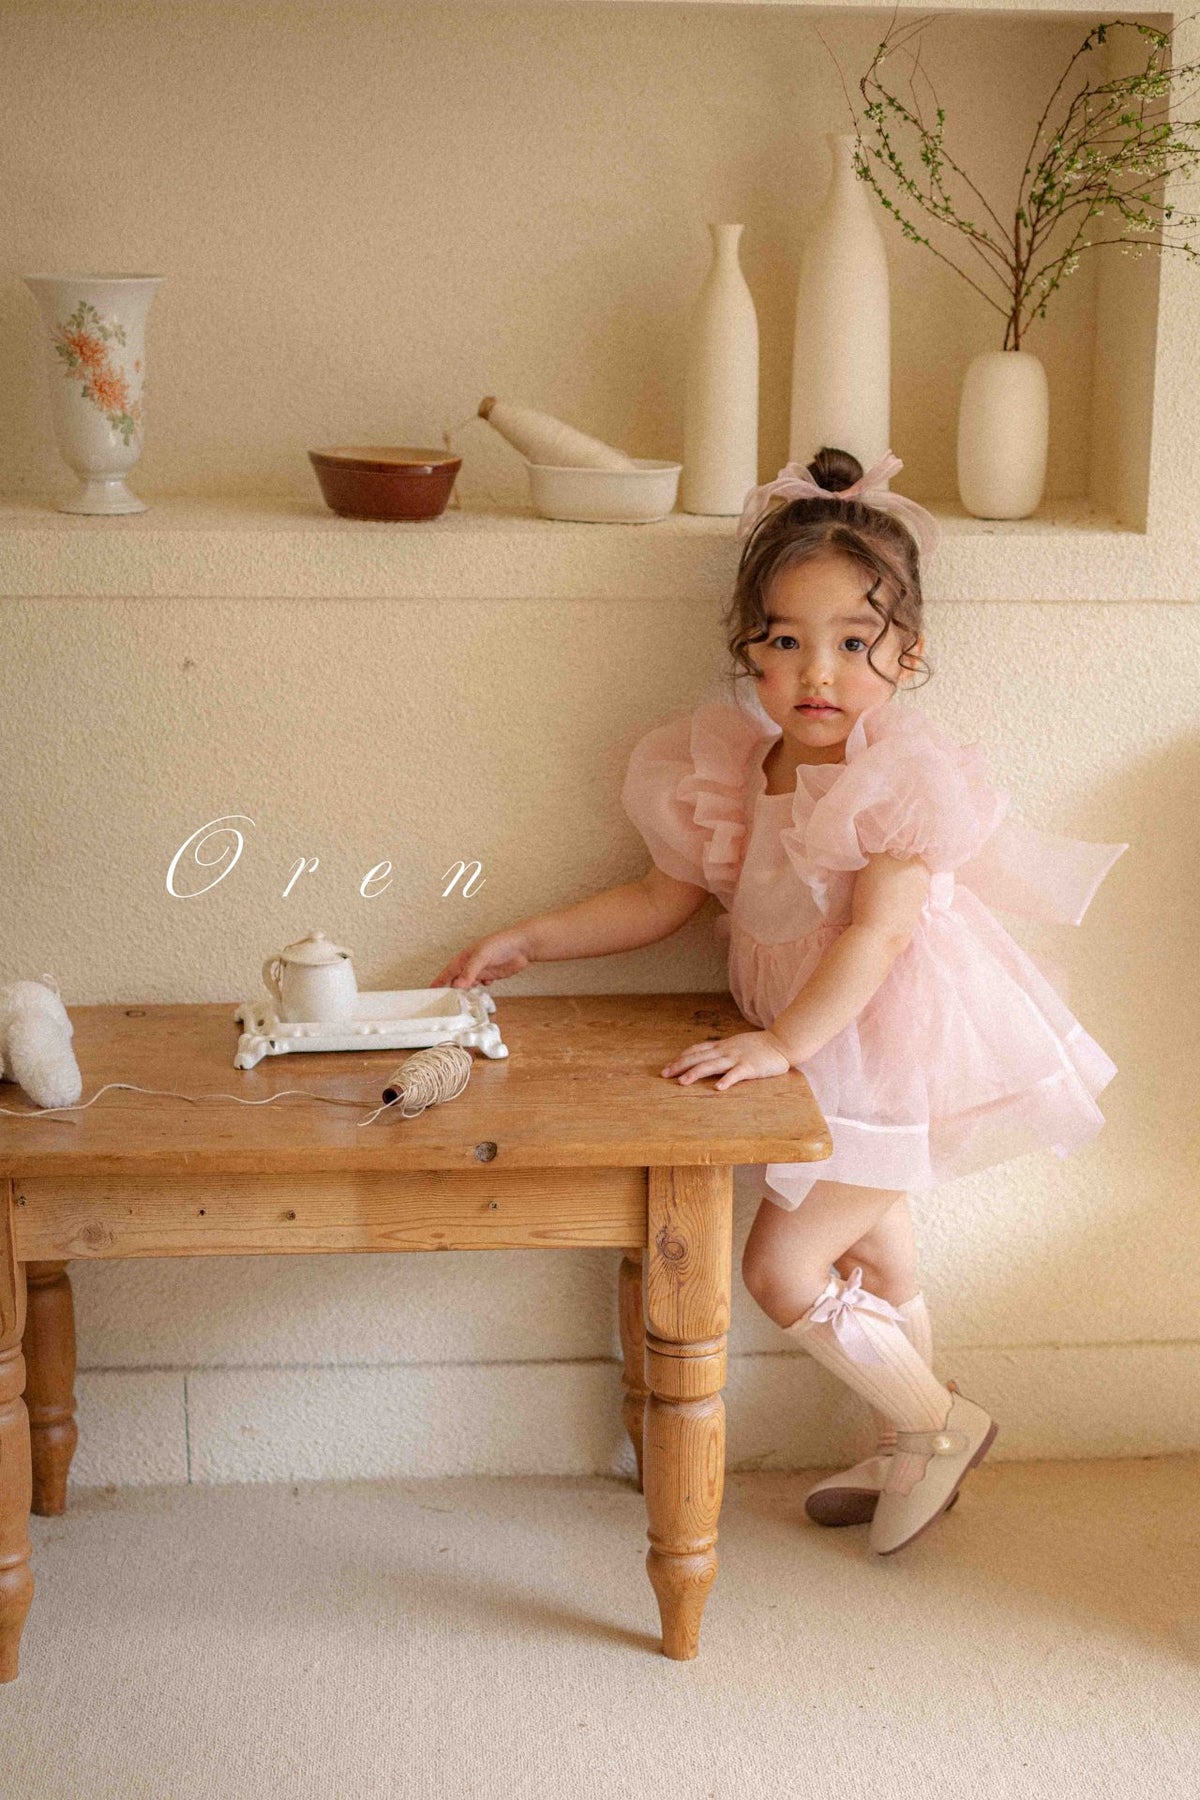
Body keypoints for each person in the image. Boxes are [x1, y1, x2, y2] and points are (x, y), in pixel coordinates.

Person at [429, 445, 1128, 1556]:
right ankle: (907, 1445)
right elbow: (658, 897)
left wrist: (779, 1044)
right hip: (814, 1050)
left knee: (781, 1268)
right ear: (749, 650)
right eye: (786, 641)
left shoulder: (898, 780)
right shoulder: (732, 766)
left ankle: (938, 1424)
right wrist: (532, 939)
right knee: (881, 1259)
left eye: (854, 642)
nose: (819, 672)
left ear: (908, 654)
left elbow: (876, 937)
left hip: (885, 1046)